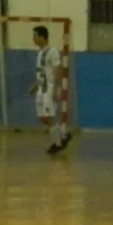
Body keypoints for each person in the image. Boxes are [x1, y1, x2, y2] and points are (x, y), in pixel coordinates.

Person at [29, 26, 68, 155]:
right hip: (41, 89)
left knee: (48, 116)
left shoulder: (53, 51)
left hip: (49, 89)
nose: (33, 39)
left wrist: (56, 88)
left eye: (35, 36)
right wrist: (35, 86)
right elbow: (42, 73)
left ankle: (58, 143)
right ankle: (63, 136)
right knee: (43, 118)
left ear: (42, 37)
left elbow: (58, 69)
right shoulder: (40, 53)